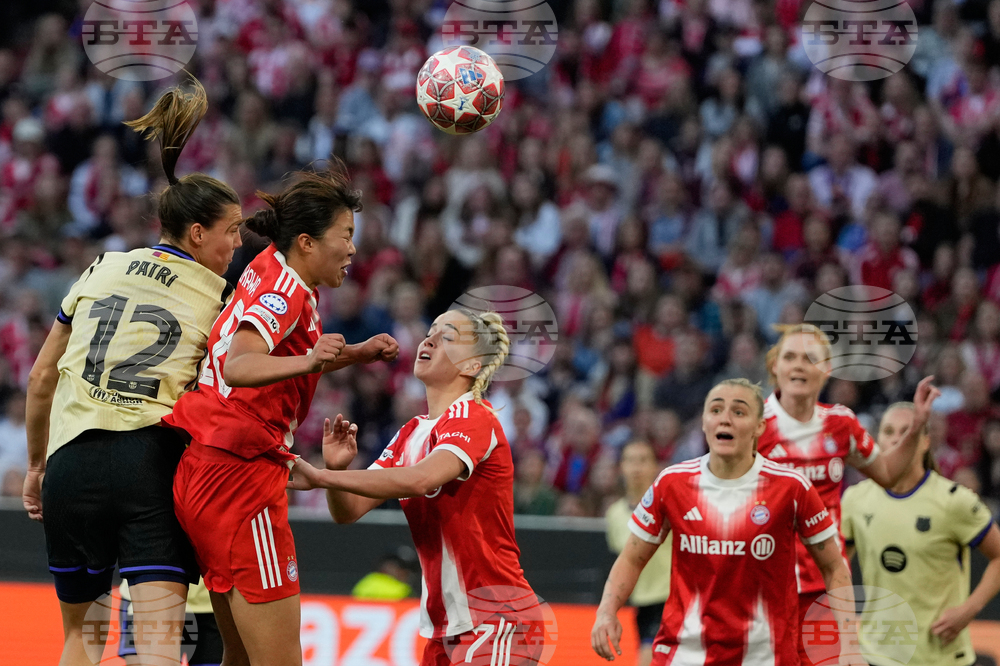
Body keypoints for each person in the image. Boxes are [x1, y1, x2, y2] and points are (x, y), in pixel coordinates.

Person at [22, 77, 243, 666]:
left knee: (81, 637)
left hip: (70, 464)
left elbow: (41, 379)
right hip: (149, 463)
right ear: (197, 233)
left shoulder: (101, 267)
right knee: (158, 644)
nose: (236, 244)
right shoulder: (218, 300)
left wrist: (38, 467)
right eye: (232, 231)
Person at [162, 167, 400, 666]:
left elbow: (278, 353)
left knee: (239, 657)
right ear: (308, 242)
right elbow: (241, 364)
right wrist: (312, 359)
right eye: (346, 235)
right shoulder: (286, 292)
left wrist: (354, 353)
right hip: (240, 480)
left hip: (205, 467)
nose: (353, 248)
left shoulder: (270, 264)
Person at [288, 309, 550, 666]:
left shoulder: (475, 416)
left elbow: (422, 478)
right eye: (431, 331)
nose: (430, 340)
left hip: (496, 618)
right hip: (445, 627)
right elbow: (348, 511)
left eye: (448, 336)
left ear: (472, 365)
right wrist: (336, 469)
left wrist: (321, 477)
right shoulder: (411, 432)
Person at [591, 378, 861, 666]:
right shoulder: (671, 483)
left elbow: (834, 567)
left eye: (739, 411)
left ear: (759, 427)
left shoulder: (792, 487)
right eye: (716, 410)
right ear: (704, 422)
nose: (725, 419)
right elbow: (631, 558)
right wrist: (606, 611)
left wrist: (849, 644)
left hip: (765, 658)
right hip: (683, 655)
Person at [757, 323, 939, 666]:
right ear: (774, 366)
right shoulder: (753, 426)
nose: (799, 366)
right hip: (763, 590)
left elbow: (887, 474)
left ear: (827, 369)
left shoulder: (841, 424)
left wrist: (916, 426)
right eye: (790, 357)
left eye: (810, 358)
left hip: (825, 591)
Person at [842, 402, 1000, 666]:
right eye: (888, 431)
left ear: (925, 441)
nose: (896, 439)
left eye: (907, 431)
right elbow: (834, 570)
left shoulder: (954, 501)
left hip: (942, 657)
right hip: (875, 654)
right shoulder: (855, 499)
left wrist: (968, 609)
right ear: (877, 440)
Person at [604, 441, 670, 666]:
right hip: (641, 603)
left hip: (669, 598)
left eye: (643, 460)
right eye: (630, 460)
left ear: (655, 466)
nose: (636, 467)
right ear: (621, 467)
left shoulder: (668, 505)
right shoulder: (614, 514)